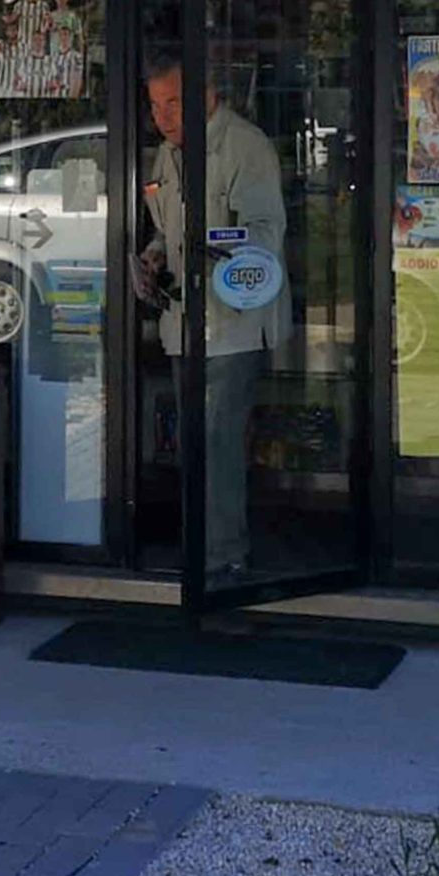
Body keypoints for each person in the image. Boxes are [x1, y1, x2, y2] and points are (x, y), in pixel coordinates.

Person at [133, 52, 290, 577]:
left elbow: (266, 231)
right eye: (156, 106)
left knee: (219, 441)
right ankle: (201, 546)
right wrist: (155, 255)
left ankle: (222, 556)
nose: (163, 117)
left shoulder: (245, 146)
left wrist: (216, 252)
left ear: (206, 96)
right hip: (185, 322)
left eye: (174, 103)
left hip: (233, 321)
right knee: (195, 441)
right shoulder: (167, 155)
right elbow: (165, 229)